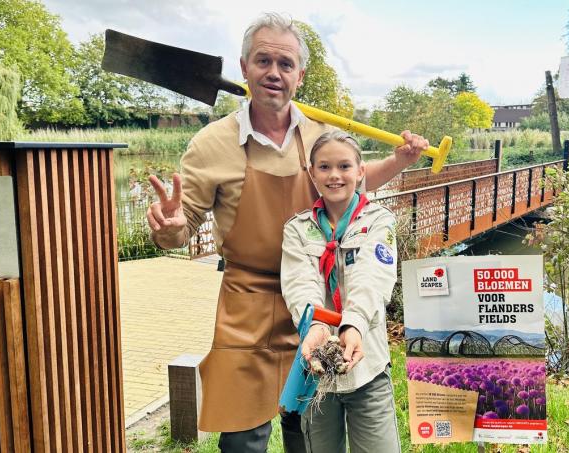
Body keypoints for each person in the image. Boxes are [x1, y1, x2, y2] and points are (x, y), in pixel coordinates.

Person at [147, 12, 427, 453]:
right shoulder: (212, 143)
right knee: (242, 437)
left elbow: (351, 180)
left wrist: (399, 161)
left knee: (307, 429)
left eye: (285, 64)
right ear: (244, 68)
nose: (274, 73)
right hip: (247, 304)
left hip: (317, 299)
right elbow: (181, 228)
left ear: (300, 75)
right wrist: (172, 228)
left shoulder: (320, 135)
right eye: (263, 61)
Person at [281, 131, 400, 453]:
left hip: (368, 365)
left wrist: (354, 324)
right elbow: (300, 283)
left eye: (344, 166)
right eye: (324, 167)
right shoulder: (297, 229)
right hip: (316, 369)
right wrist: (316, 325)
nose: (335, 175)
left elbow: (372, 276)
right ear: (312, 173)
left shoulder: (379, 221)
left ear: (360, 171)